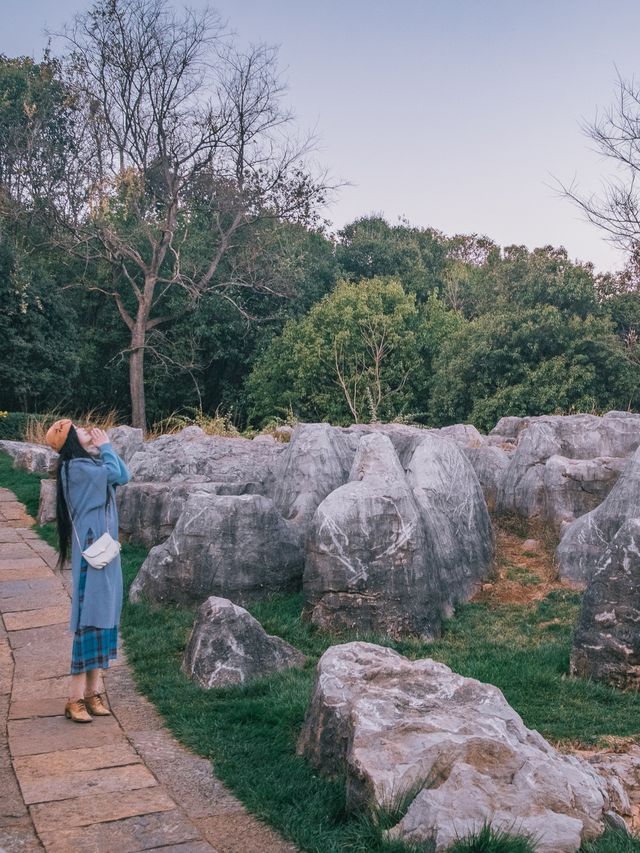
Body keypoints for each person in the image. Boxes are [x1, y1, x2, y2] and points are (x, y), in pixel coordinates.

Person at [45, 418, 130, 722]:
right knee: (88, 620)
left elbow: (124, 474)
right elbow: (114, 473)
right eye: (78, 429)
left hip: (105, 552)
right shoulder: (75, 469)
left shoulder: (89, 464)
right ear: (69, 440)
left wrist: (105, 449)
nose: (86, 430)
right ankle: (74, 699)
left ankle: (93, 694)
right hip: (93, 554)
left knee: (105, 617)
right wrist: (106, 447)